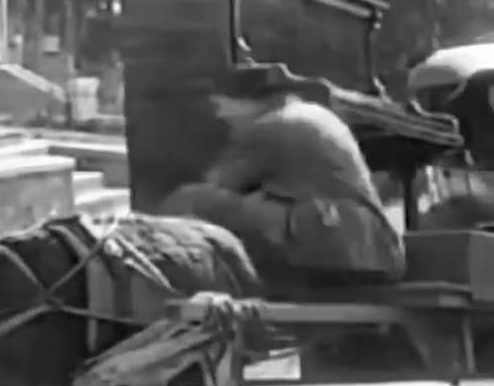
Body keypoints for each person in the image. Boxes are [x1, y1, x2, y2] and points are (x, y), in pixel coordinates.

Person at [160, 66, 404, 295]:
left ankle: (158, 270)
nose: (220, 115)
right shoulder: (312, 115)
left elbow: (217, 185)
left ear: (247, 102)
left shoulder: (272, 127)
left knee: (194, 199)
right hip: (371, 248)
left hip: (333, 238)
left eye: (223, 105)